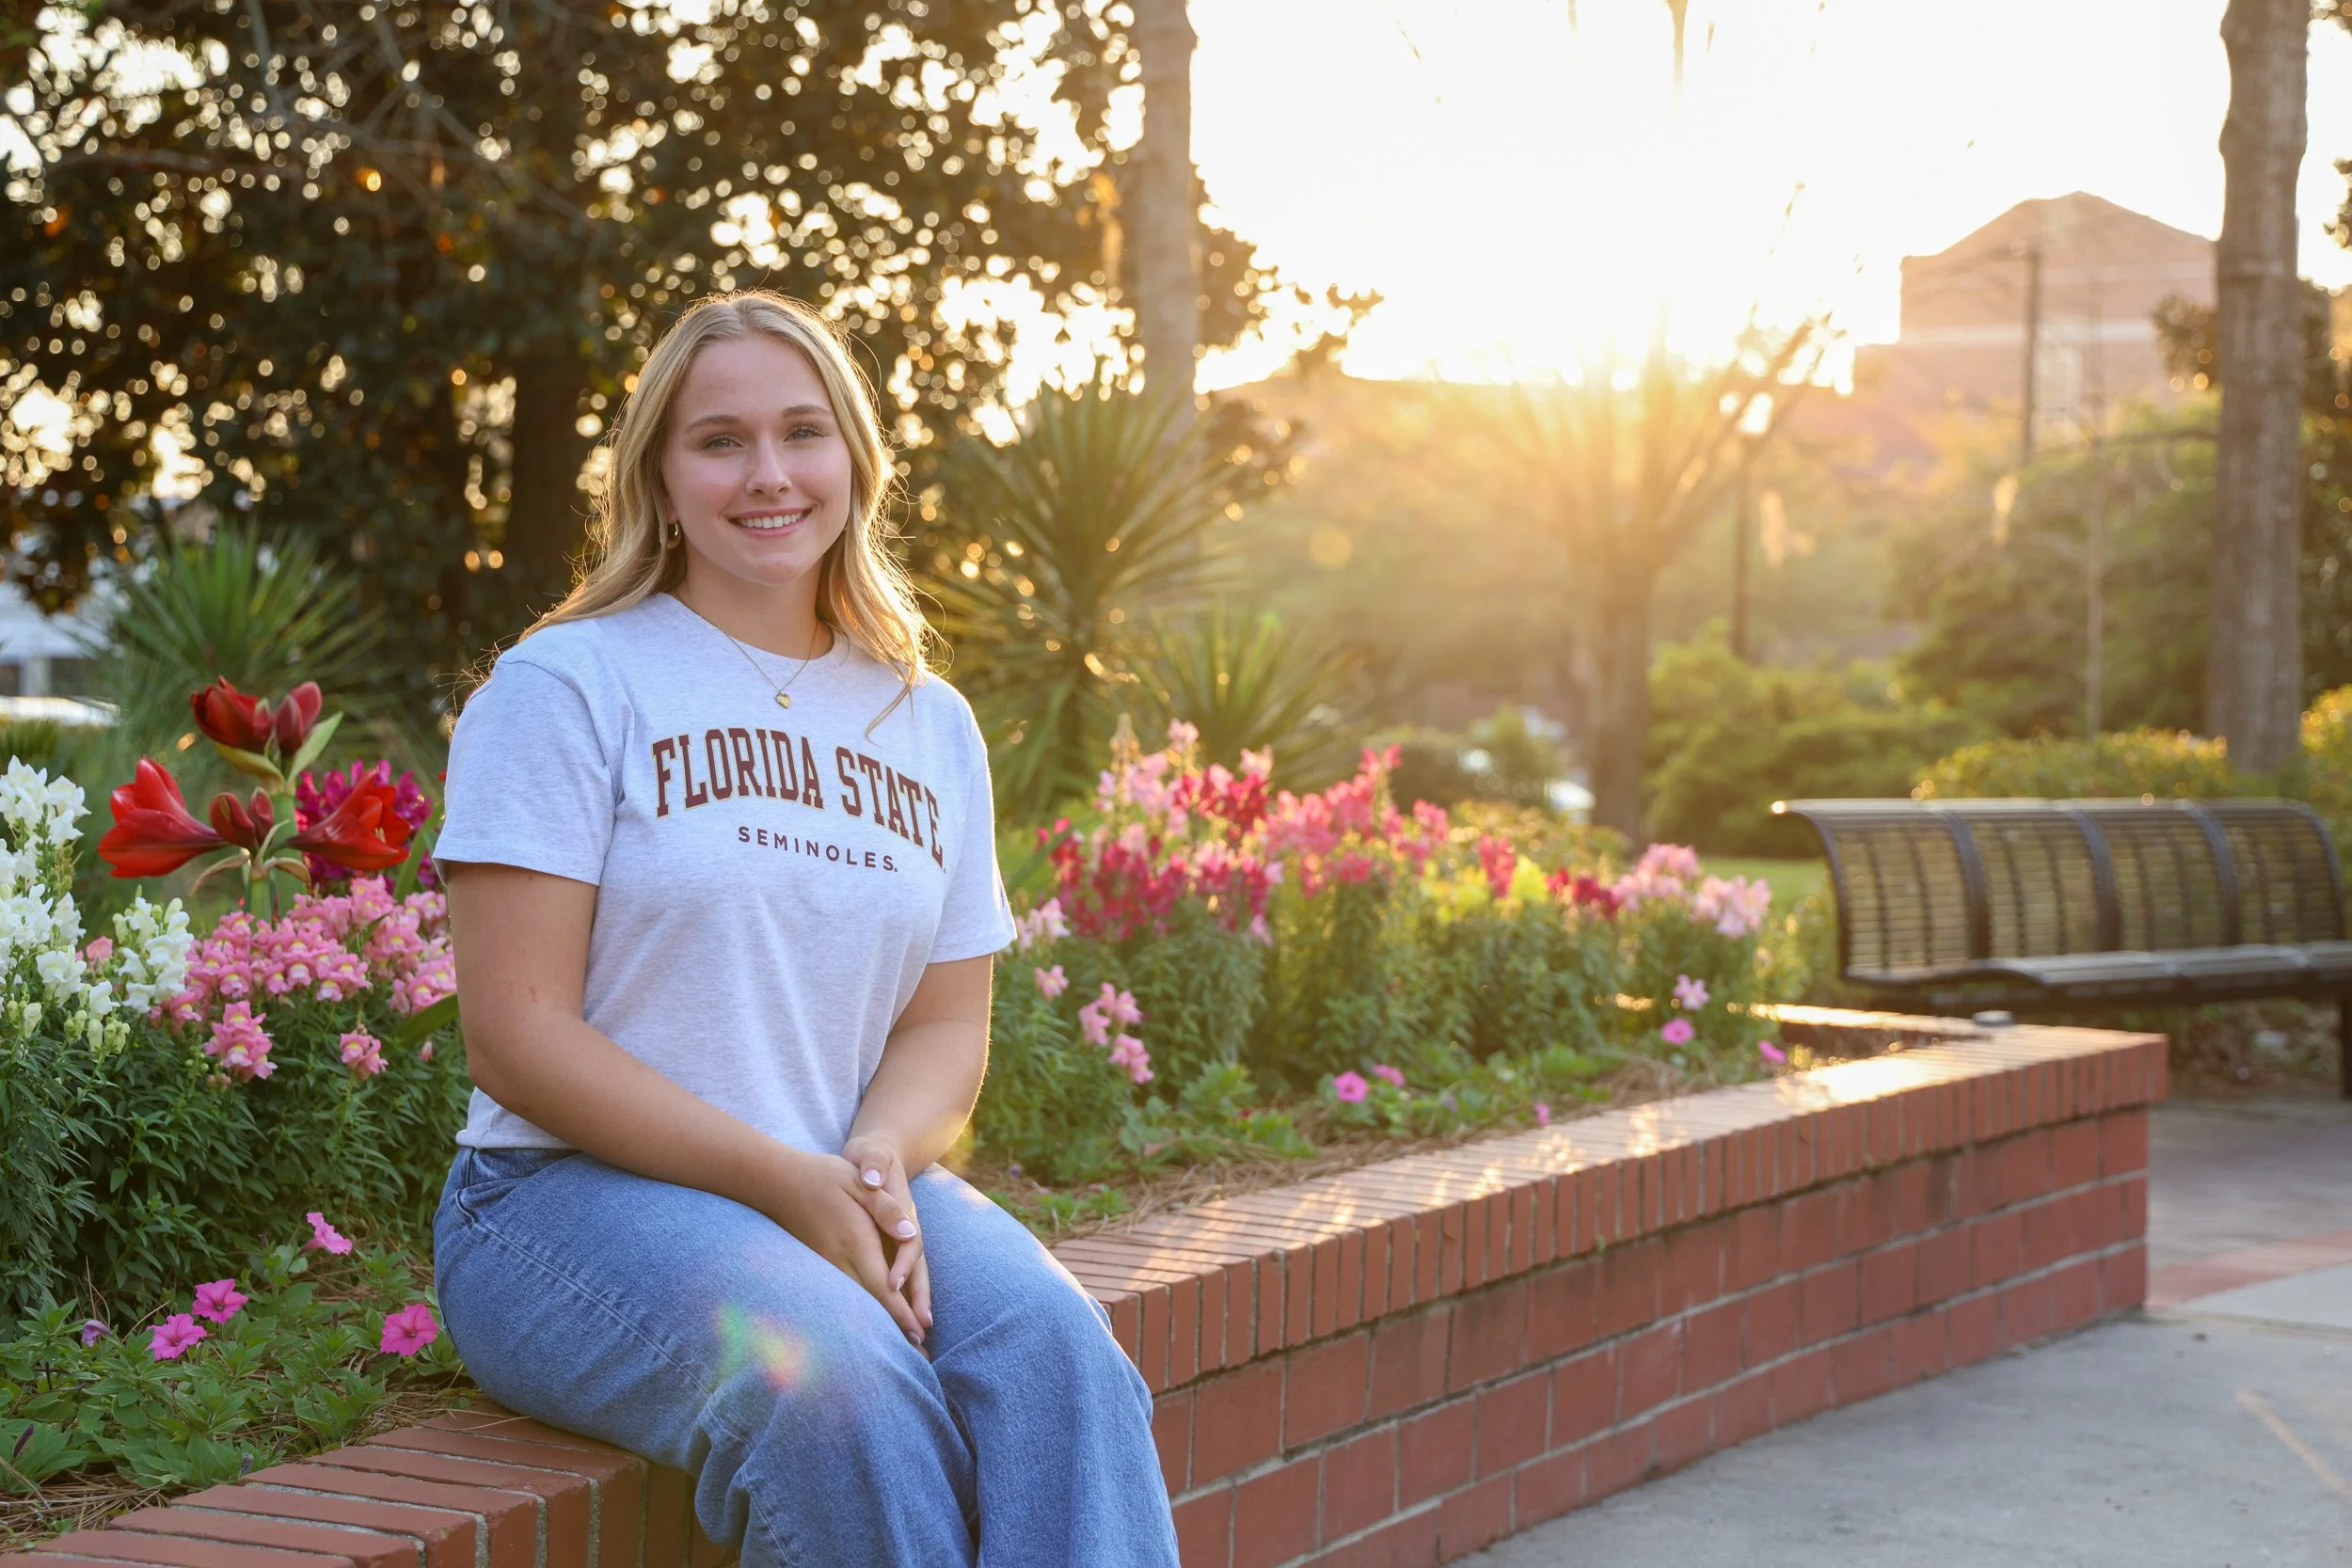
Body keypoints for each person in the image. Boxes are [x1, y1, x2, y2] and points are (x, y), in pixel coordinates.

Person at [429, 290, 1180, 1567]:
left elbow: (948, 1022)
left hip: (843, 1177)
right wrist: (789, 1186)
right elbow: (516, 1033)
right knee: (837, 1388)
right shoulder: (568, 687)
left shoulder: (924, 718)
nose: (767, 473)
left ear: (855, 461)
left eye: (802, 432)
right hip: (560, 1205)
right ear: (662, 477)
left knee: (1062, 1362)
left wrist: (876, 1160)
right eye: (719, 440)